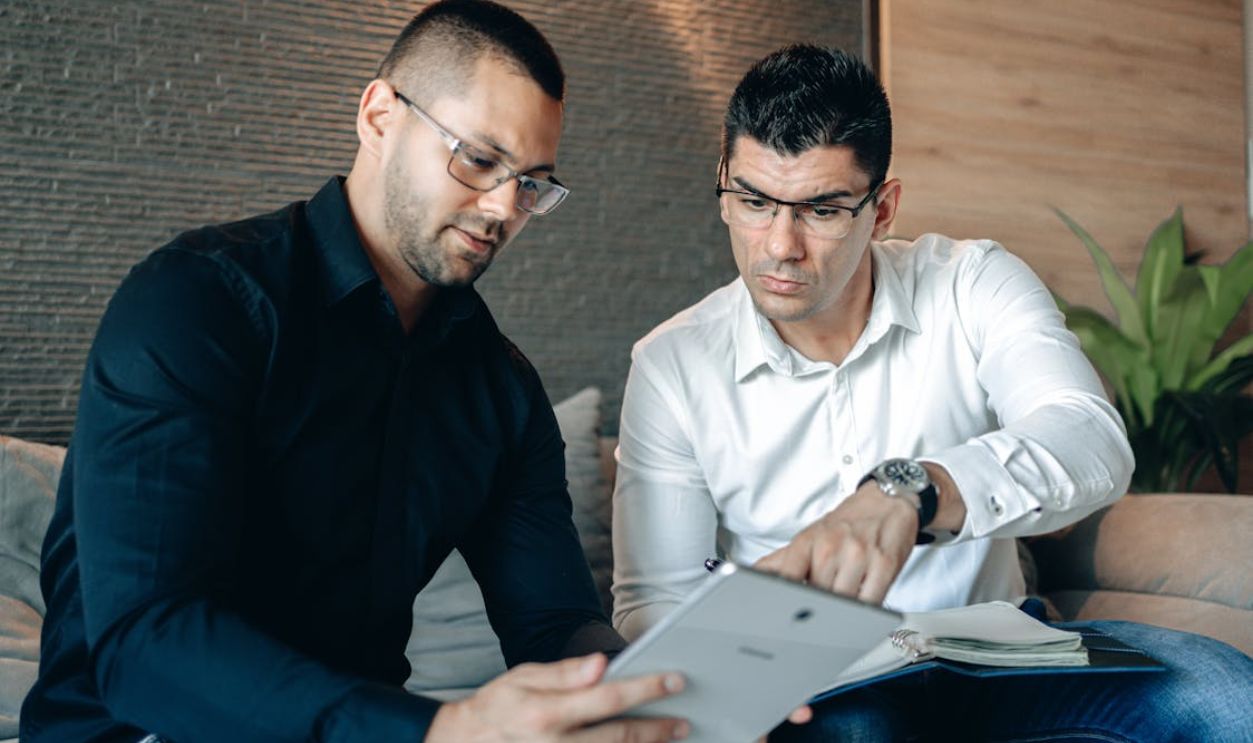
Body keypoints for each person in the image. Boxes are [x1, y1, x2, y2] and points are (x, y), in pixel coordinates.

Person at [20, 2, 695, 741]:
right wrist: (435, 731)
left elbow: (555, 622)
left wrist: (658, 694)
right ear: (378, 116)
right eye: (477, 159)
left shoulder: (500, 390)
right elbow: (146, 645)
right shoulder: (197, 301)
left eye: (532, 183)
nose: (504, 208)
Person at [611, 44, 1253, 742]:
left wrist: (913, 490)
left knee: (1222, 691)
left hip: (1003, 645)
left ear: (880, 208)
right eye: (753, 201)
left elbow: (1088, 436)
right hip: (820, 677)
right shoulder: (672, 363)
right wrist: (728, 690)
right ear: (724, 184)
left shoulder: (972, 280)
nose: (778, 246)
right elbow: (655, 599)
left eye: (821, 209)